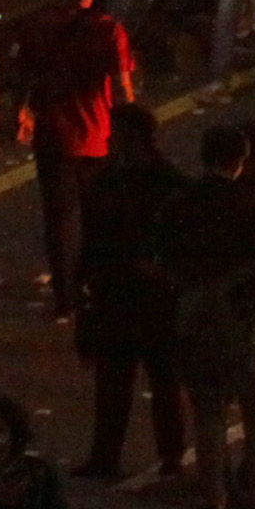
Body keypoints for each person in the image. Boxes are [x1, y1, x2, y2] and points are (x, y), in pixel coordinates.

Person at [161, 123, 255, 509]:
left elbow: (163, 258)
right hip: (239, 316)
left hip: (194, 317)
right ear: (240, 159)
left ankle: (212, 498)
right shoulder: (248, 202)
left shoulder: (180, 202)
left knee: (208, 413)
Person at [73, 103, 187, 484]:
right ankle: (153, 455)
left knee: (147, 379)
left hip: (138, 293)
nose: (109, 140)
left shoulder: (116, 183)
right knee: (135, 380)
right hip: (130, 292)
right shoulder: (167, 183)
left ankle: (140, 454)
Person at [22, 0, 135, 322]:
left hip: (52, 134)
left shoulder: (39, 25)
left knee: (60, 219)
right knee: (97, 217)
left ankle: (65, 297)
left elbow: (27, 75)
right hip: (96, 136)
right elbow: (122, 88)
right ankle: (94, 286)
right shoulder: (109, 30)